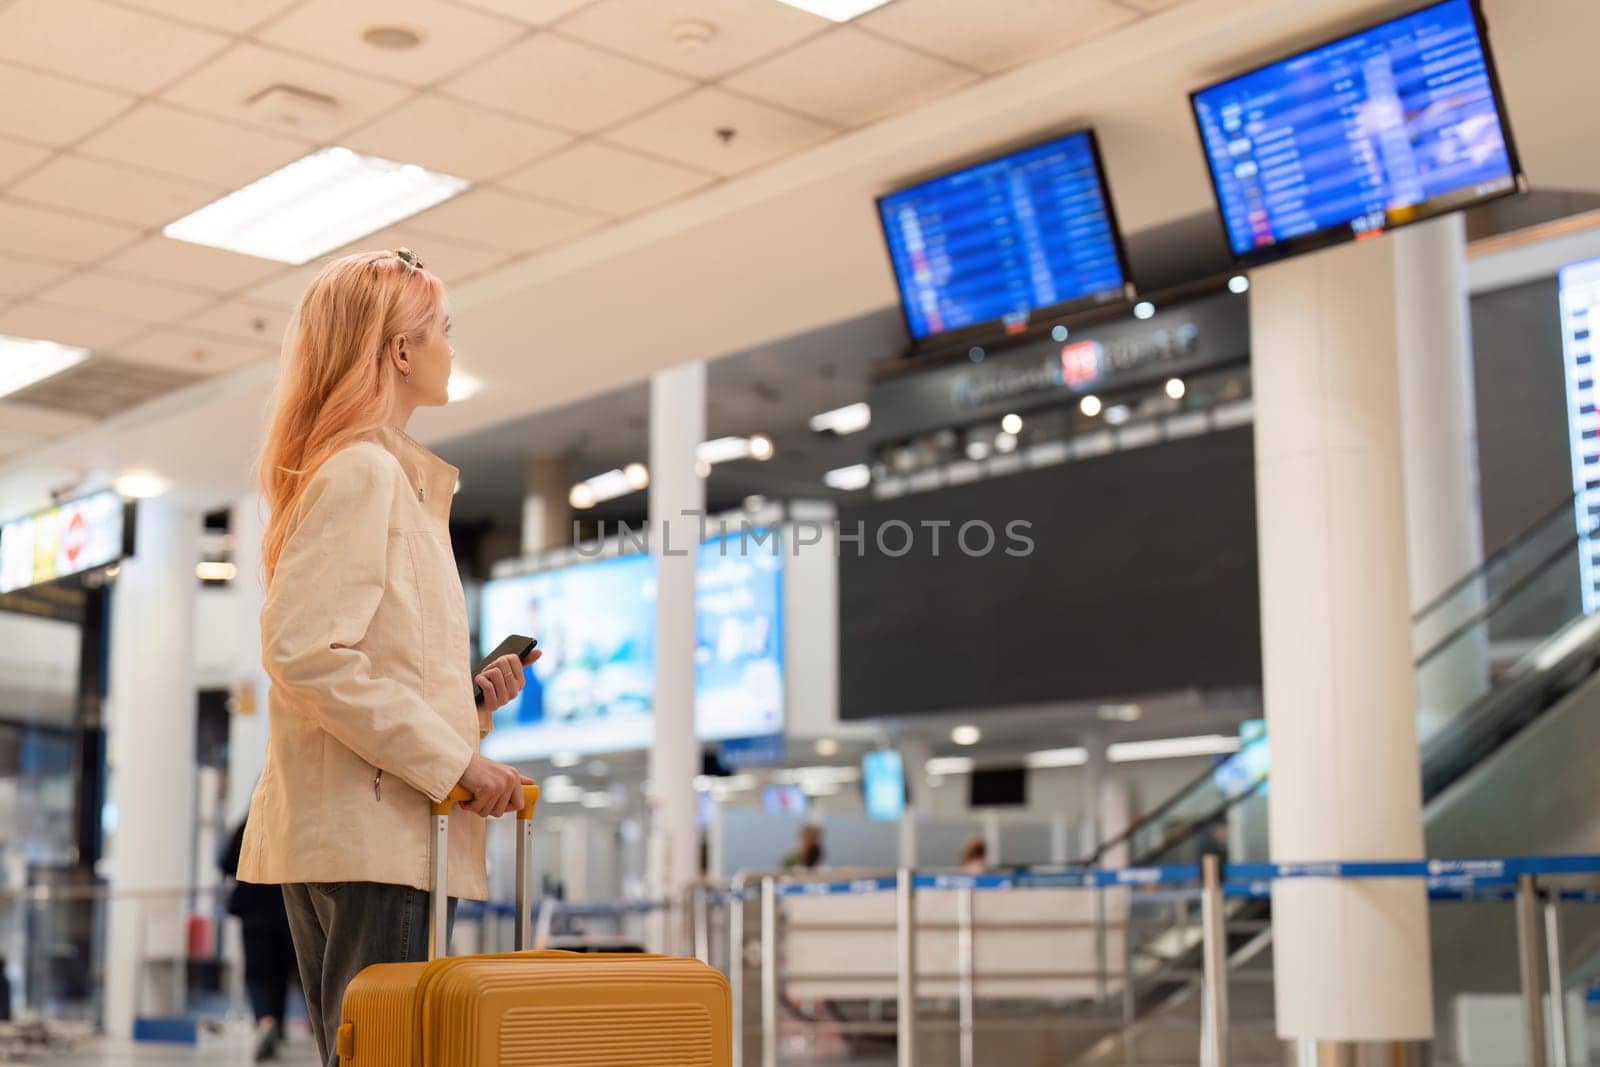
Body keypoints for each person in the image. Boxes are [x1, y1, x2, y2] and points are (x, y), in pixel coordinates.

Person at [237, 248, 540, 1067]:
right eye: (442, 330)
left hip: (360, 823)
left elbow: (359, 658)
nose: (450, 347)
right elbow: (303, 651)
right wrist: (454, 760)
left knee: (369, 1054)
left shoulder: (380, 478)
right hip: (376, 834)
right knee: (389, 1058)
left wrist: (468, 708)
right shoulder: (365, 473)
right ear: (401, 351)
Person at [219, 813, 297, 1062]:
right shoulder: (291, 825)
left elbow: (225, 863)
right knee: (281, 973)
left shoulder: (248, 824)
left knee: (257, 973)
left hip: (254, 912)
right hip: (286, 911)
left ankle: (265, 1022)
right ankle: (279, 1028)